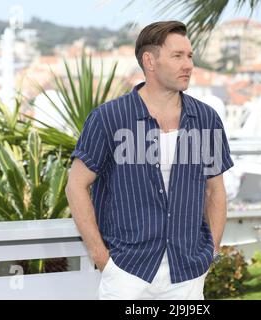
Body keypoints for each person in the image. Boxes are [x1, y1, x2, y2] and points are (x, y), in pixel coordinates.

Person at [65, 20, 234, 300]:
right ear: (149, 61)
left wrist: (211, 254)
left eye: (190, 56)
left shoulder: (207, 119)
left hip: (188, 276)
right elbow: (75, 185)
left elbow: (215, 190)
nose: (188, 65)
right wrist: (102, 259)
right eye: (177, 56)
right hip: (127, 273)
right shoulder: (109, 118)